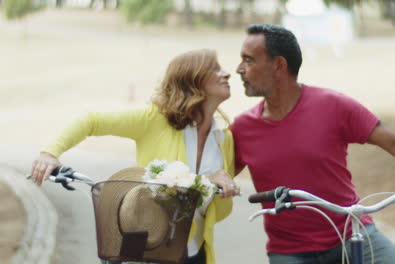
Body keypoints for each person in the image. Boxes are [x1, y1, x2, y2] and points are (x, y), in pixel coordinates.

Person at [231, 24, 395, 264]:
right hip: (289, 252)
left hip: (352, 232)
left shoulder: (333, 106)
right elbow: (215, 177)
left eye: (248, 60)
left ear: (279, 65)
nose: (239, 69)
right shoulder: (242, 128)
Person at [30, 49, 240, 264]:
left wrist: (224, 188)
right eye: (215, 68)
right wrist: (49, 153)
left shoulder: (223, 139)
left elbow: (219, 213)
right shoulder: (155, 119)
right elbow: (90, 120)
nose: (226, 74)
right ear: (192, 79)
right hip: (148, 249)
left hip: (195, 253)